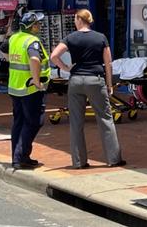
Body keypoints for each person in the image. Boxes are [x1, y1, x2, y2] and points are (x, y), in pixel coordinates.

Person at [50, 9, 125, 169]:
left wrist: (66, 68)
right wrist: (109, 83)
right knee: (105, 119)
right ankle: (113, 159)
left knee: (76, 122)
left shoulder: (70, 38)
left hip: (76, 80)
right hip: (95, 80)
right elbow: (108, 62)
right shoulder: (100, 38)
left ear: (79, 19)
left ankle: (79, 162)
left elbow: (54, 56)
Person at [1, 12, 50, 170]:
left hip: (15, 87)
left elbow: (3, 50)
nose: (40, 27)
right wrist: (36, 81)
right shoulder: (32, 41)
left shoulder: (15, 37)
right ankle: (20, 157)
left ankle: (20, 156)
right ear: (32, 26)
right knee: (34, 121)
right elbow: (35, 59)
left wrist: (11, 60)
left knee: (19, 122)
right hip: (30, 89)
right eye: (38, 24)